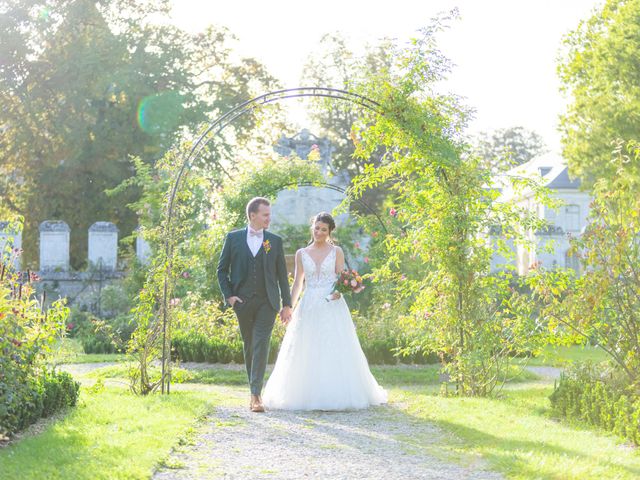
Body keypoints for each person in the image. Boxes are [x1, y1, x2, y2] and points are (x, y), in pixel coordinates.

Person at [262, 212, 387, 410]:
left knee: (335, 345)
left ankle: (338, 392)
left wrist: (339, 291)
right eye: (317, 228)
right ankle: (304, 394)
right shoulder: (301, 253)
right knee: (307, 346)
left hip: (331, 304)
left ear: (329, 232)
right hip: (309, 304)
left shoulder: (336, 251)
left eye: (323, 229)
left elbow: (340, 277)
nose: (319, 232)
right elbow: (297, 284)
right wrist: (289, 307)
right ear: (312, 227)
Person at [217, 197, 292, 413]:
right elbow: (221, 270)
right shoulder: (233, 238)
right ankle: (254, 389)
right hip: (242, 302)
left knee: (261, 343)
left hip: (268, 302)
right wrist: (229, 296)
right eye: (265, 214)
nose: (269, 218)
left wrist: (286, 304)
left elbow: (281, 276)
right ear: (253, 216)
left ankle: (256, 395)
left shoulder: (274, 241)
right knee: (249, 345)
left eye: (269, 214)